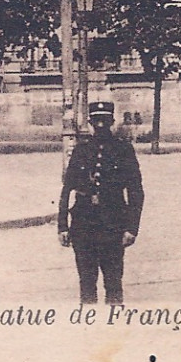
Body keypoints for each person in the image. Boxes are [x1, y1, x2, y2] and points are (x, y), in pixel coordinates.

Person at [59, 100, 145, 305]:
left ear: (111, 122)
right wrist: (62, 226)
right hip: (83, 225)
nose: (100, 126)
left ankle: (112, 328)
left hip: (113, 225)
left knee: (113, 283)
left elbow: (136, 192)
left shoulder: (124, 150)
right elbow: (66, 189)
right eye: (96, 121)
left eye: (104, 121)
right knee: (86, 283)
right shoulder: (81, 150)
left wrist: (132, 228)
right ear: (90, 122)